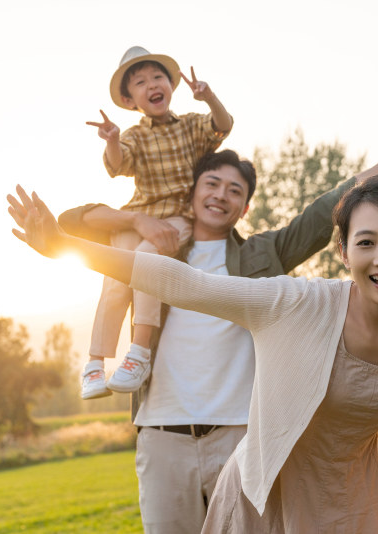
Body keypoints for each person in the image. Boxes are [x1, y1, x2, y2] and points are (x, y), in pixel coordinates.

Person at [24, 107, 378, 533]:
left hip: (240, 431)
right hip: (166, 430)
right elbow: (171, 277)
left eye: (234, 190)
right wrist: (69, 242)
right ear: (190, 192)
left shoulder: (262, 261)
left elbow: (337, 207)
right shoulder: (159, 249)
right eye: (211, 184)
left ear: (246, 207)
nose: (220, 195)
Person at [81, 45, 234, 400]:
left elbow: (222, 126)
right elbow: (119, 165)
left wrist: (208, 96)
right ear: (130, 99)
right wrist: (114, 140)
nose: (152, 84)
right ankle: (94, 362)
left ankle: (139, 352)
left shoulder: (192, 125)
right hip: (138, 217)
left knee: (148, 260)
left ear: (170, 85)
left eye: (158, 77)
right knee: (115, 276)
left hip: (177, 217)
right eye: (140, 82)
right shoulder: (134, 135)